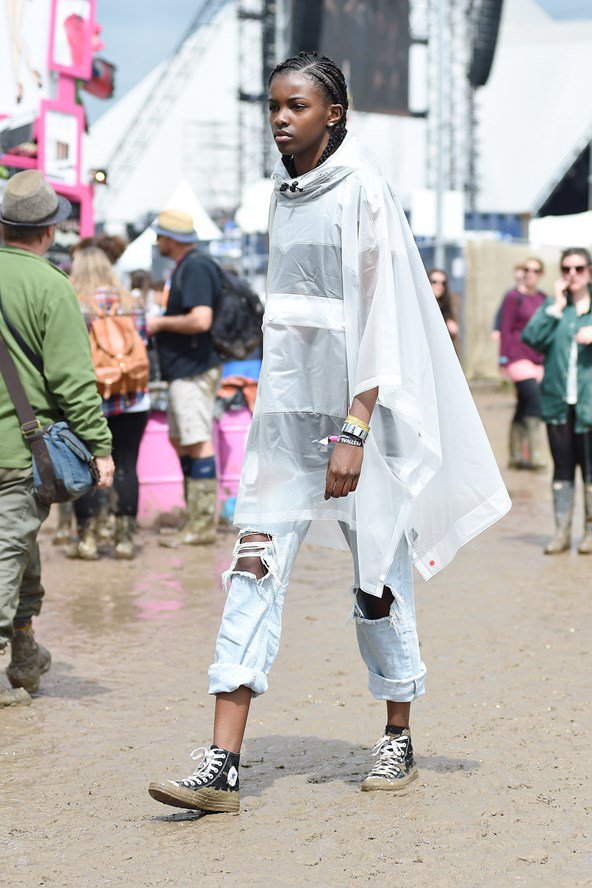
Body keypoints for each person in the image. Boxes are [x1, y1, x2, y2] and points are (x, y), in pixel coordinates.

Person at [147, 52, 509, 814]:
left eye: (298, 106)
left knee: (376, 581)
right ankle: (223, 764)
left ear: (332, 113)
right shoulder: (281, 197)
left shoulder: (363, 190)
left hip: (358, 427)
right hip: (285, 427)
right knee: (250, 573)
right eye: (274, 105)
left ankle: (397, 733)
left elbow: (381, 319)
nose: (281, 118)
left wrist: (355, 426)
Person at [0, 171, 113, 706]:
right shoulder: (50, 285)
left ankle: (25, 656)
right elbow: (72, 381)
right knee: (7, 549)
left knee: (19, 546)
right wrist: (100, 446)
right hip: (18, 452)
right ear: (49, 231)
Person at [66, 246, 150, 561]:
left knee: (86, 466)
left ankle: (87, 539)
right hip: (132, 399)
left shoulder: (75, 304)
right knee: (127, 465)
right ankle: (124, 539)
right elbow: (143, 343)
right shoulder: (131, 302)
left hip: (90, 401)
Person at [146, 210, 222, 548]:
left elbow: (201, 319)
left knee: (197, 439)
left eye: (160, 236)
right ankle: (195, 516)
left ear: (171, 239)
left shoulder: (195, 267)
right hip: (183, 369)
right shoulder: (189, 265)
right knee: (184, 439)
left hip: (193, 368)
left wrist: (159, 324)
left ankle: (202, 525)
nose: (157, 241)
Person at [522, 248, 592, 555]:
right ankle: (562, 532)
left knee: (590, 469)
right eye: (566, 268)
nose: (572, 274)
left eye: (578, 268)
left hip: (589, 402)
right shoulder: (554, 308)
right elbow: (531, 338)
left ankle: (590, 533)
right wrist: (557, 305)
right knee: (562, 468)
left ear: (589, 271)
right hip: (558, 402)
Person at [499, 258, 547, 470]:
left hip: (539, 358)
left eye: (535, 270)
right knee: (533, 398)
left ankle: (516, 453)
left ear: (540, 274)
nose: (530, 273)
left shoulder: (544, 299)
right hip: (518, 357)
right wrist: (503, 358)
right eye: (526, 269)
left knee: (525, 403)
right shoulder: (513, 297)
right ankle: (536, 453)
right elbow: (505, 328)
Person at [491, 263, 525, 343]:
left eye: (521, 278)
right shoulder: (510, 294)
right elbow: (501, 312)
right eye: (517, 278)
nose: (519, 281)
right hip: (511, 336)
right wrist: (496, 329)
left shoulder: (534, 296)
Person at [428, 268, 459, 339]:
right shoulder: (420, 306)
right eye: (434, 282)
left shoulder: (446, 307)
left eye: (443, 283)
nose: (439, 286)